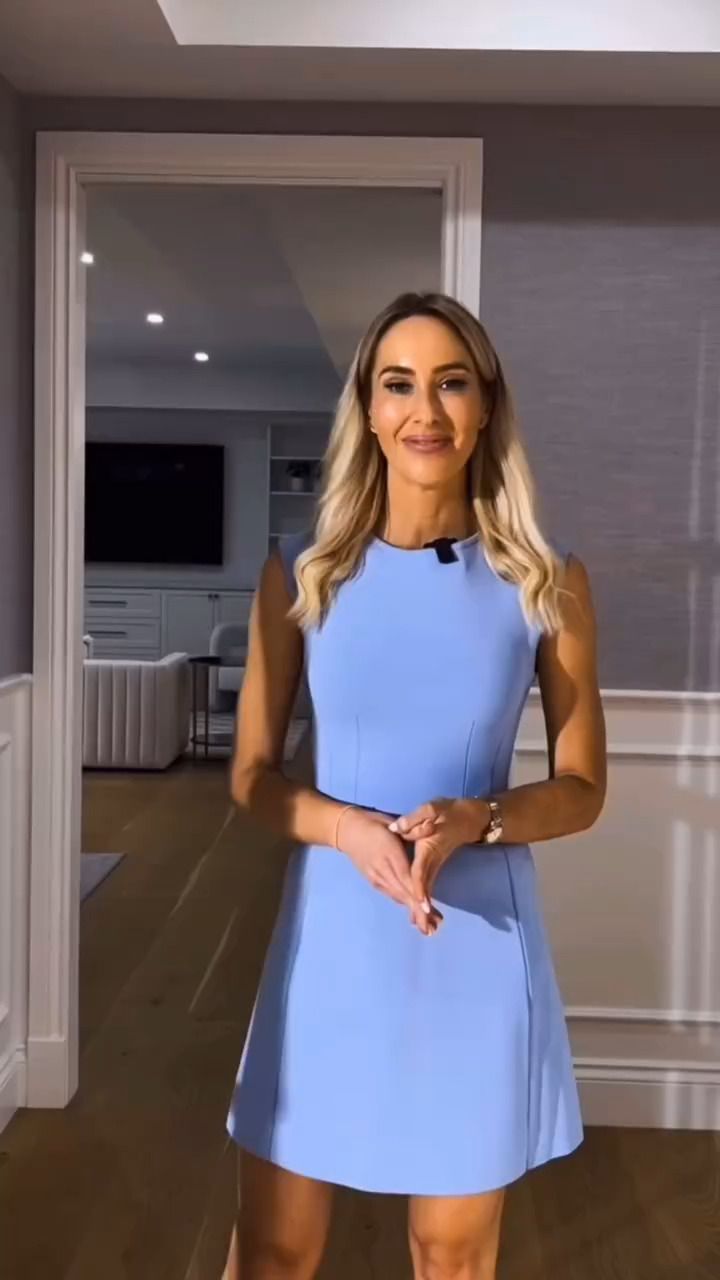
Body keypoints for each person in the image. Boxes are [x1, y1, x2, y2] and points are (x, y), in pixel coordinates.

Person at [222, 291, 607, 1280]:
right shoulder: (301, 576)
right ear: (368, 407)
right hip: (331, 945)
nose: (424, 410)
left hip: (475, 947)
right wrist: (349, 829)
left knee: (451, 1254)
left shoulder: (547, 581)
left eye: (451, 383)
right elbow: (254, 779)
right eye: (399, 384)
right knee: (273, 1250)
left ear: (485, 406)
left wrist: (481, 817)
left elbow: (581, 787)